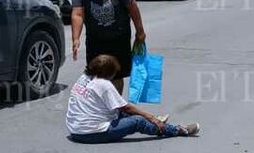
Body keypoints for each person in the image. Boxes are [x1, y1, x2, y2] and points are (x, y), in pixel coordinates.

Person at [67, 54, 199, 143]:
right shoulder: (104, 84)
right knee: (138, 121)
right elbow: (126, 107)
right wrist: (150, 117)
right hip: (92, 134)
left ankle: (158, 123)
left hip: (75, 131)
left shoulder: (83, 78)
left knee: (122, 113)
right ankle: (176, 130)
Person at [70, 0, 145, 94]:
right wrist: (75, 38)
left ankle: (114, 107)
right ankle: (101, 109)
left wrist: (140, 31)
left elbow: (132, 7)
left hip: (118, 38)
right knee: (96, 76)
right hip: (95, 39)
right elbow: (78, 14)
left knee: (116, 75)